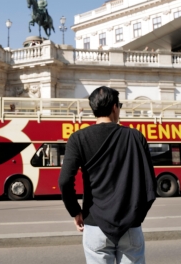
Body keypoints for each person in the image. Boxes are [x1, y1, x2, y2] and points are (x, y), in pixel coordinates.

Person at [58, 86, 157, 264]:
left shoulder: (78, 138)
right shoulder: (136, 137)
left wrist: (75, 211)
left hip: (95, 225)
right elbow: (150, 186)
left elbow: (65, 181)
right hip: (130, 225)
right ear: (114, 107)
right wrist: (136, 216)